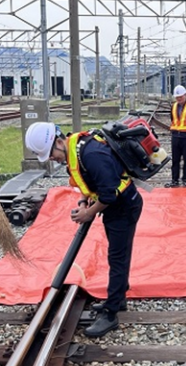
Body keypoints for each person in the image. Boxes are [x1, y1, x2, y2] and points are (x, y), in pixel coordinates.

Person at [25, 121, 143, 339]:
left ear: (58, 142)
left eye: (51, 155)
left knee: (117, 257)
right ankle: (118, 297)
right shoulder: (76, 149)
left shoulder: (92, 154)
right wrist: (82, 201)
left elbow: (108, 194)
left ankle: (111, 313)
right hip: (117, 207)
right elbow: (90, 183)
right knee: (117, 255)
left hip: (125, 207)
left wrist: (89, 213)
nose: (53, 160)